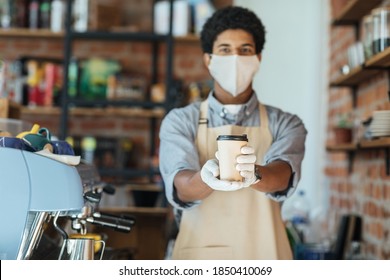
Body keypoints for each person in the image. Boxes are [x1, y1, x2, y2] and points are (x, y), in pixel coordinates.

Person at [159, 6, 307, 260]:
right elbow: (181, 186)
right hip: (201, 258)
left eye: (245, 50)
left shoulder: (286, 123)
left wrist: (256, 174)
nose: (235, 58)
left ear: (258, 58)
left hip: (266, 256)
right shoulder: (180, 121)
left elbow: (283, 176)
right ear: (209, 59)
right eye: (225, 50)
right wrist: (205, 179)